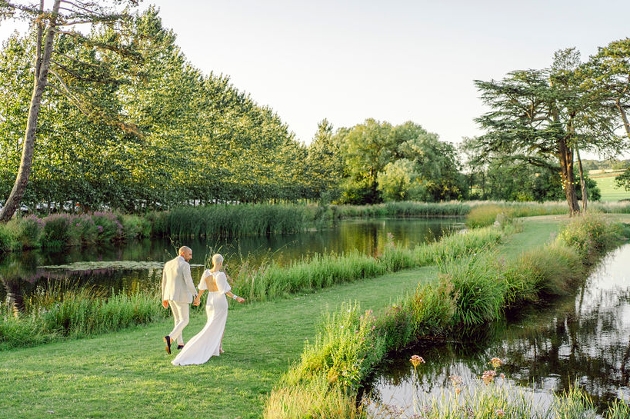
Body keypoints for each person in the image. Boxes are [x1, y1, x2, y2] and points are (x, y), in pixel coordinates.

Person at [172, 253, 245, 366]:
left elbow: (201, 288)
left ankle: (217, 347)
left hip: (209, 302)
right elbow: (224, 290)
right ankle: (218, 347)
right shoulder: (220, 275)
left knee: (210, 324)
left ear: (212, 262)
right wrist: (237, 297)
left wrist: (198, 299)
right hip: (219, 301)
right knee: (220, 325)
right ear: (220, 263)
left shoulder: (206, 273)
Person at [162, 246, 197, 354]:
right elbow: (189, 282)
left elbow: (164, 282)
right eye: (189, 254)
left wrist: (164, 297)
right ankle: (170, 338)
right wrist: (195, 295)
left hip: (170, 295)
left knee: (178, 320)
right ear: (182, 253)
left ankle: (180, 343)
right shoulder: (184, 265)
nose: (191, 257)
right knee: (185, 320)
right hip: (181, 296)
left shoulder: (168, 264)